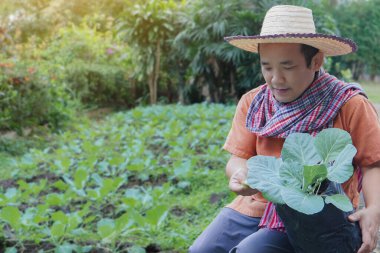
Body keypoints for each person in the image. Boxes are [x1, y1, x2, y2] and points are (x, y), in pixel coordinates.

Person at [189, 5, 380, 253]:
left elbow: (372, 163)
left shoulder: (349, 104)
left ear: (316, 61)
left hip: (317, 214)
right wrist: (240, 175)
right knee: (201, 250)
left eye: (288, 67)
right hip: (257, 203)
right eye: (267, 67)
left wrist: (374, 208)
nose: (276, 79)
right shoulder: (254, 102)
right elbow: (238, 159)